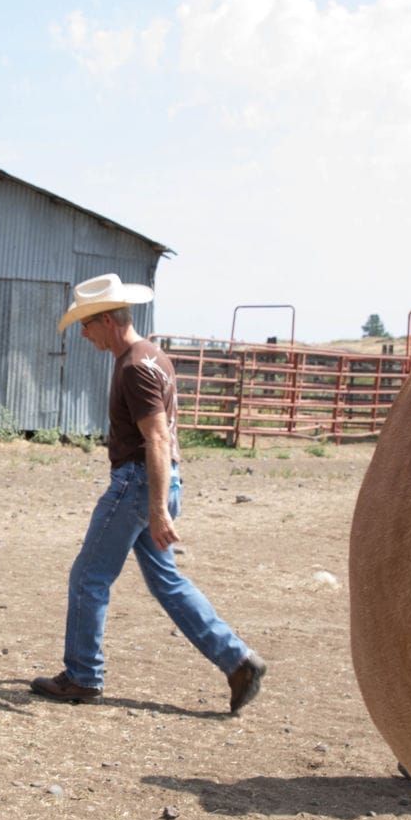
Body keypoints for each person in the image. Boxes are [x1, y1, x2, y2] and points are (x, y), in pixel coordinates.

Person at [30, 273, 267, 713]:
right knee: (168, 582)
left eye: (86, 323)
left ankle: (83, 676)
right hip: (159, 480)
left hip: (138, 483)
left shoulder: (134, 367)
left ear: (106, 320)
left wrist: (156, 509)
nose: (83, 333)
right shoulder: (153, 356)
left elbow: (156, 438)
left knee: (88, 578)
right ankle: (238, 660)